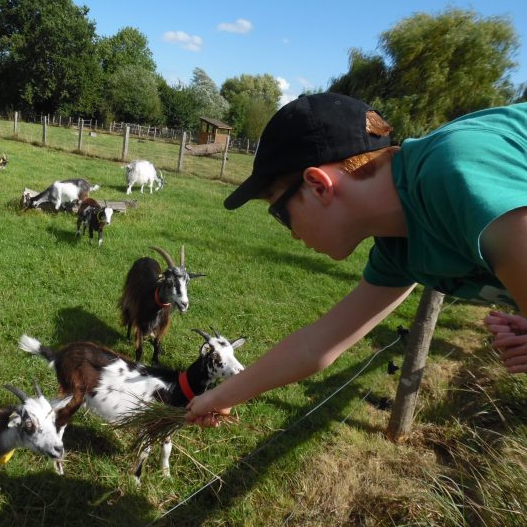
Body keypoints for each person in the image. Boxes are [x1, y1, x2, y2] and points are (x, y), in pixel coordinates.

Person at [185, 92, 527, 427]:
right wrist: (219, 397)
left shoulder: (452, 174)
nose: (291, 233)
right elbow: (316, 344)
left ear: (318, 185)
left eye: (279, 212)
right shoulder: (400, 246)